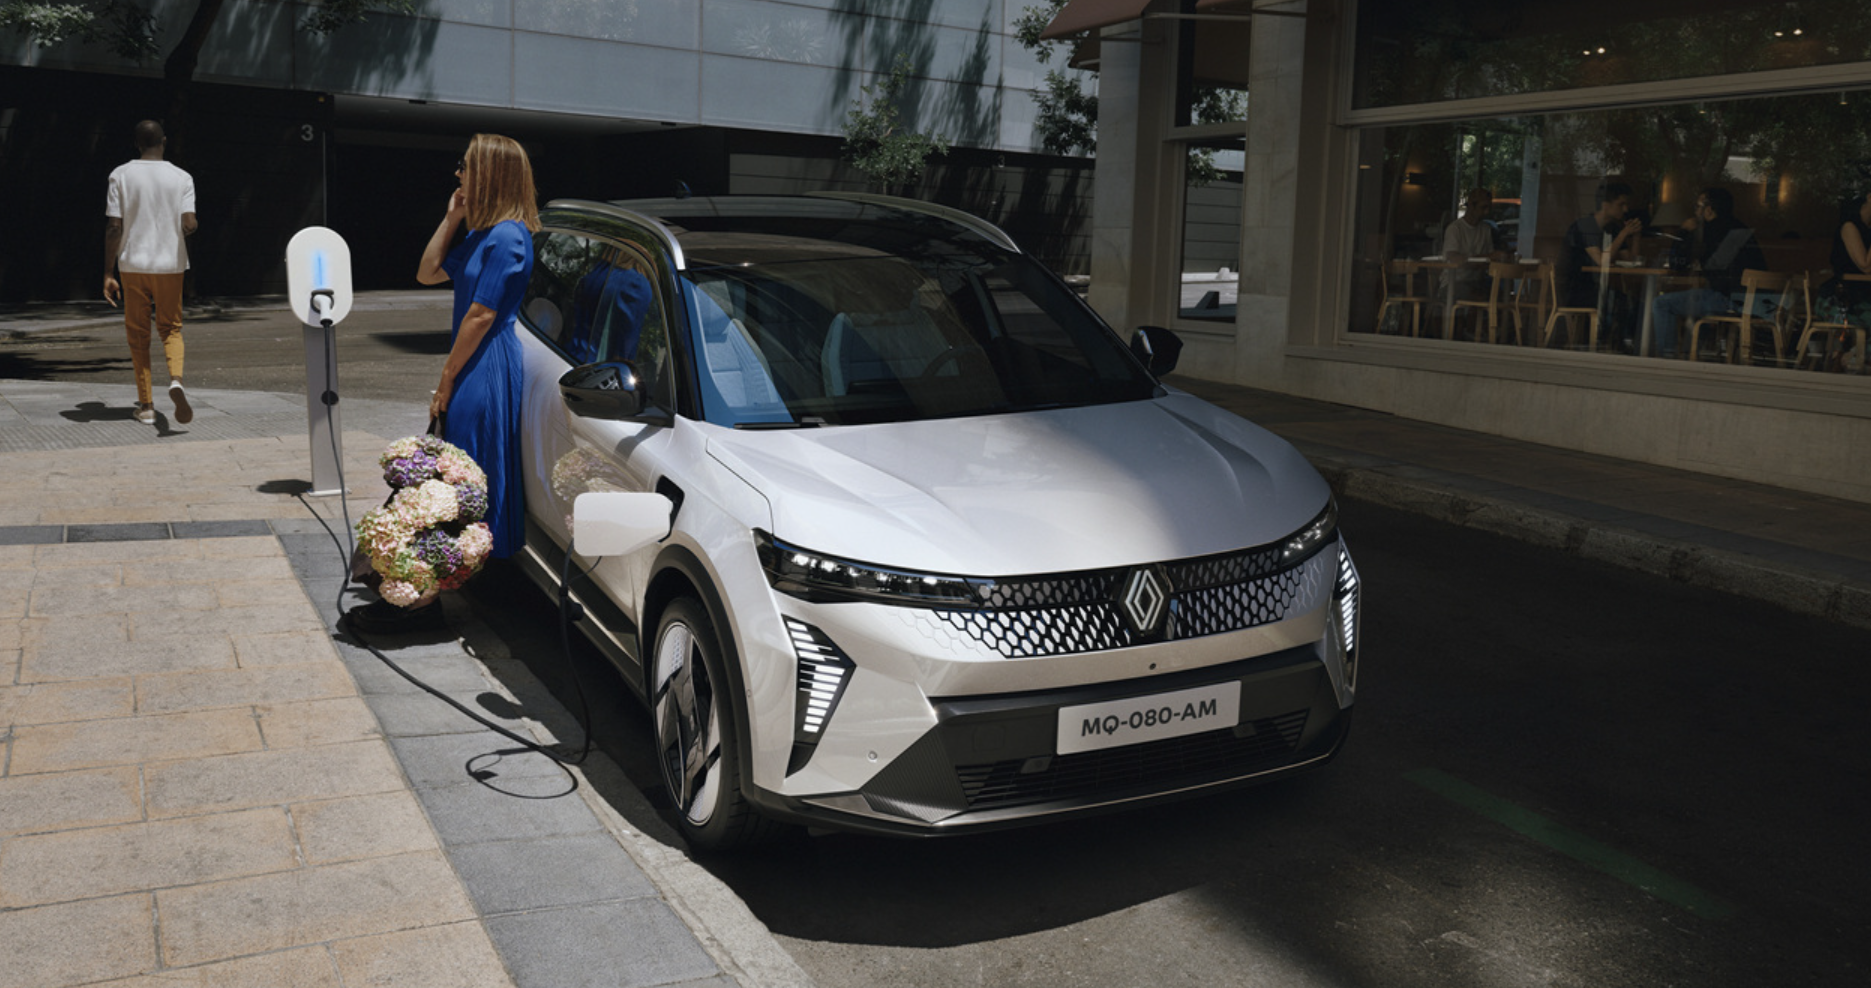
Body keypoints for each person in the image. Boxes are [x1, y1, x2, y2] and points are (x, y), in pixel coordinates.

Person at [350, 133, 537, 634]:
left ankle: (431, 593)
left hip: (485, 363)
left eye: (466, 166)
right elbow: (427, 272)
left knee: (462, 475)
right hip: (473, 360)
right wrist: (453, 217)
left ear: (490, 173)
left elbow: (481, 315)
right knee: (456, 473)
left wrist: (446, 378)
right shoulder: (484, 233)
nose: (458, 174)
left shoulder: (509, 236)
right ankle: (435, 585)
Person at [104, 119, 197, 425]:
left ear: (137, 143)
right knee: (171, 328)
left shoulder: (120, 174)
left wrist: (107, 272)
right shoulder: (182, 177)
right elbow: (189, 223)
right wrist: (189, 225)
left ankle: (145, 406)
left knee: (138, 333)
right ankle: (176, 380)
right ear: (164, 141)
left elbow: (114, 227)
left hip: (132, 265)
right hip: (170, 265)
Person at [1648, 188, 1767, 359]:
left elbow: (1677, 264)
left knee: (1661, 303)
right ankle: (1693, 354)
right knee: (1700, 299)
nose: (1695, 212)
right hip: (1757, 302)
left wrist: (1683, 231)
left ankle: (1668, 359)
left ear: (1709, 210)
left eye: (1697, 207)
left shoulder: (1706, 231)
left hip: (1729, 300)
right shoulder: (1741, 228)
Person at [1562, 181, 1644, 347]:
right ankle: (1600, 344)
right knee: (1617, 301)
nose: (1625, 209)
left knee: (1634, 302)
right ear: (1605, 205)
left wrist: (1635, 236)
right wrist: (1623, 234)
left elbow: (1631, 261)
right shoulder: (1586, 226)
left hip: (1601, 287)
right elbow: (1601, 261)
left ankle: (1621, 346)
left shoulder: (1613, 228)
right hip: (1576, 288)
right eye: (1621, 204)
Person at [1441, 187, 1503, 305]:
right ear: (1471, 206)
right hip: (1453, 282)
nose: (1486, 212)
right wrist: (1487, 258)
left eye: (1488, 208)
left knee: (1499, 294)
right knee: (1476, 294)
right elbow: (1453, 258)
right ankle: (1471, 316)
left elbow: (1490, 260)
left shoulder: (1486, 229)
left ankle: (1485, 317)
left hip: (1477, 281)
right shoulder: (1455, 229)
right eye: (1483, 207)